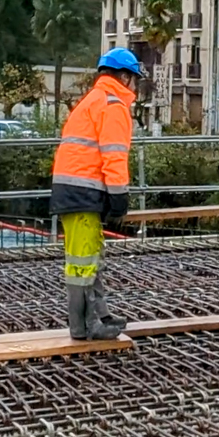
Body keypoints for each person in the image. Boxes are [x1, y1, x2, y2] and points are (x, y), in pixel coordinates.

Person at [50, 48, 141, 340]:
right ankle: (85, 326)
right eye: (134, 79)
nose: (135, 86)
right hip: (83, 193)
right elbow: (114, 155)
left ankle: (99, 315)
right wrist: (119, 197)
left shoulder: (92, 99)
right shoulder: (113, 105)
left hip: (75, 192)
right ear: (124, 77)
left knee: (89, 258)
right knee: (82, 263)